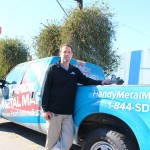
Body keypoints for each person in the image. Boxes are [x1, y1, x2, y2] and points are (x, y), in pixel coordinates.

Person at [41, 44, 114, 150]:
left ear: (72, 54)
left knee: (68, 140)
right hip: (54, 113)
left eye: (69, 52)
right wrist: (45, 109)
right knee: (52, 141)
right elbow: (45, 89)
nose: (67, 54)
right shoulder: (52, 70)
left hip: (68, 114)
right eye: (64, 52)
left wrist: (101, 81)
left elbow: (86, 80)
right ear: (60, 54)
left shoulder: (74, 70)